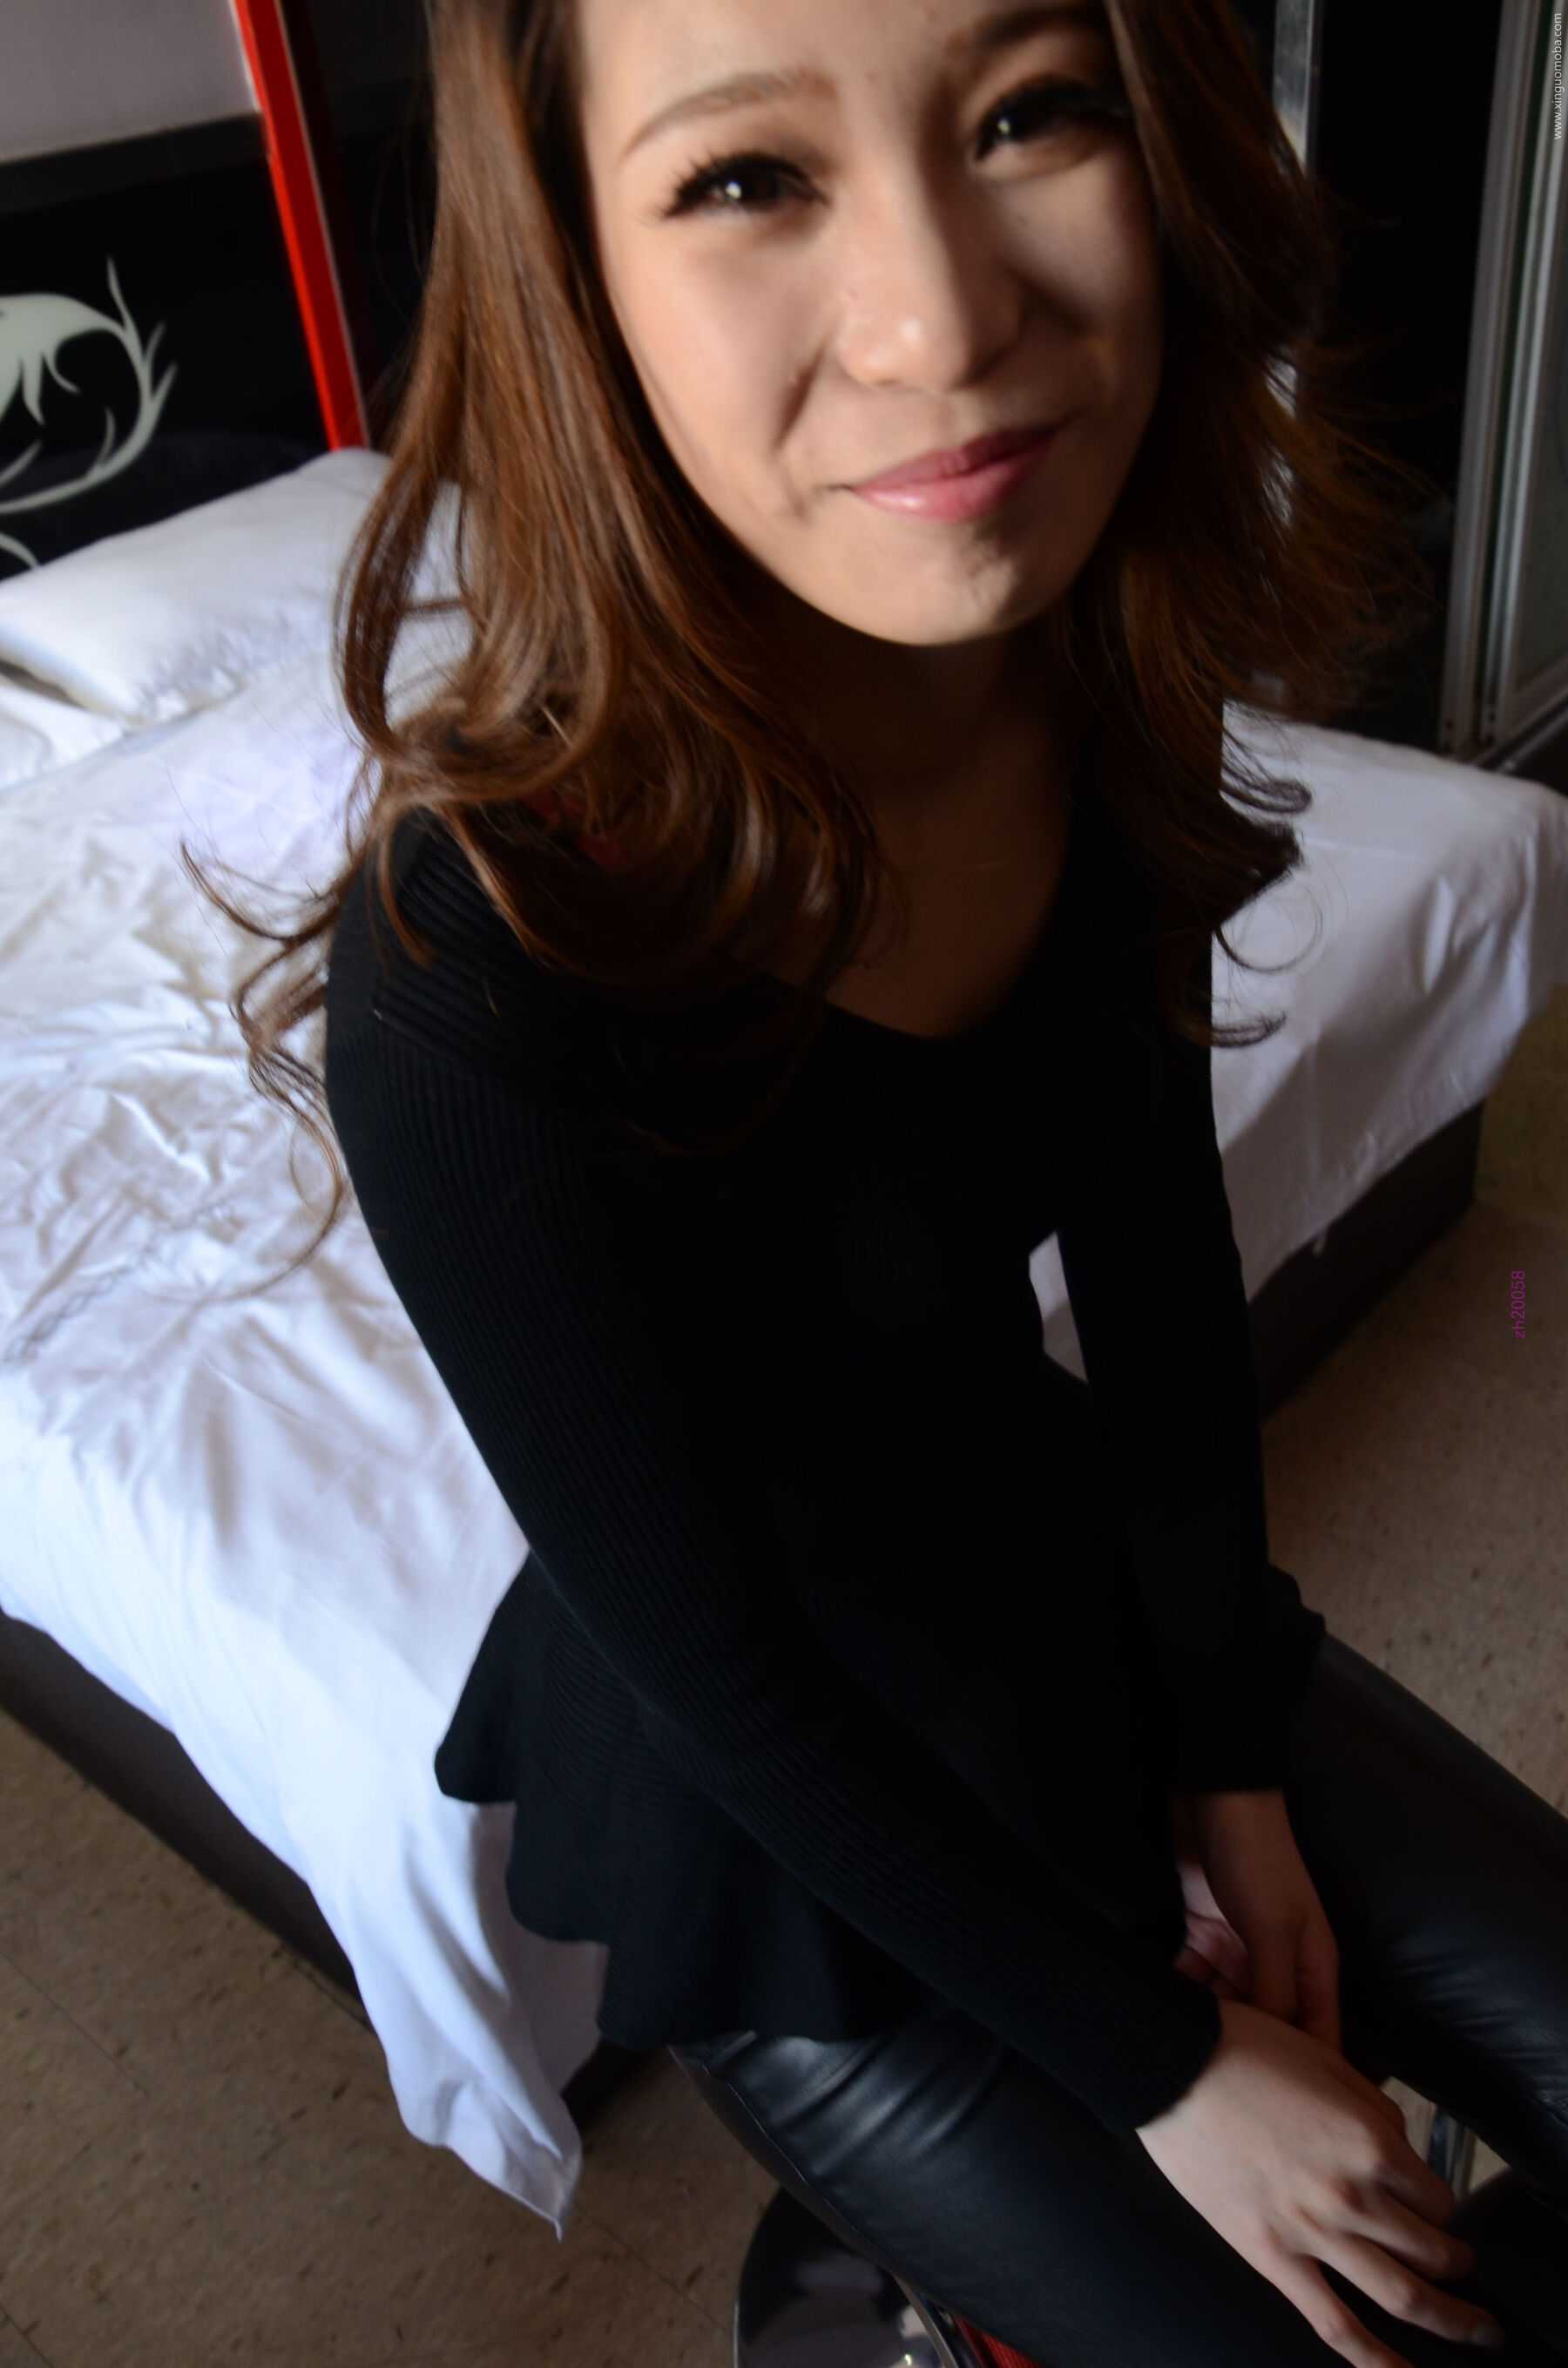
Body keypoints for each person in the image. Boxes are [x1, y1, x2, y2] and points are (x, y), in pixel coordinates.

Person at [201, 0, 1568, 2361]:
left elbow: (1159, 1281)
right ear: (579, 280)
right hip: (768, 1801)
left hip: (1049, 1577)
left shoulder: (1074, 694)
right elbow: (719, 1673)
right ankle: (879, 2279)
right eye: (747, 178)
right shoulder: (468, 967)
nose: (942, 324)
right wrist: (1167, 2065)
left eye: (1032, 114)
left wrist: (1232, 1762)